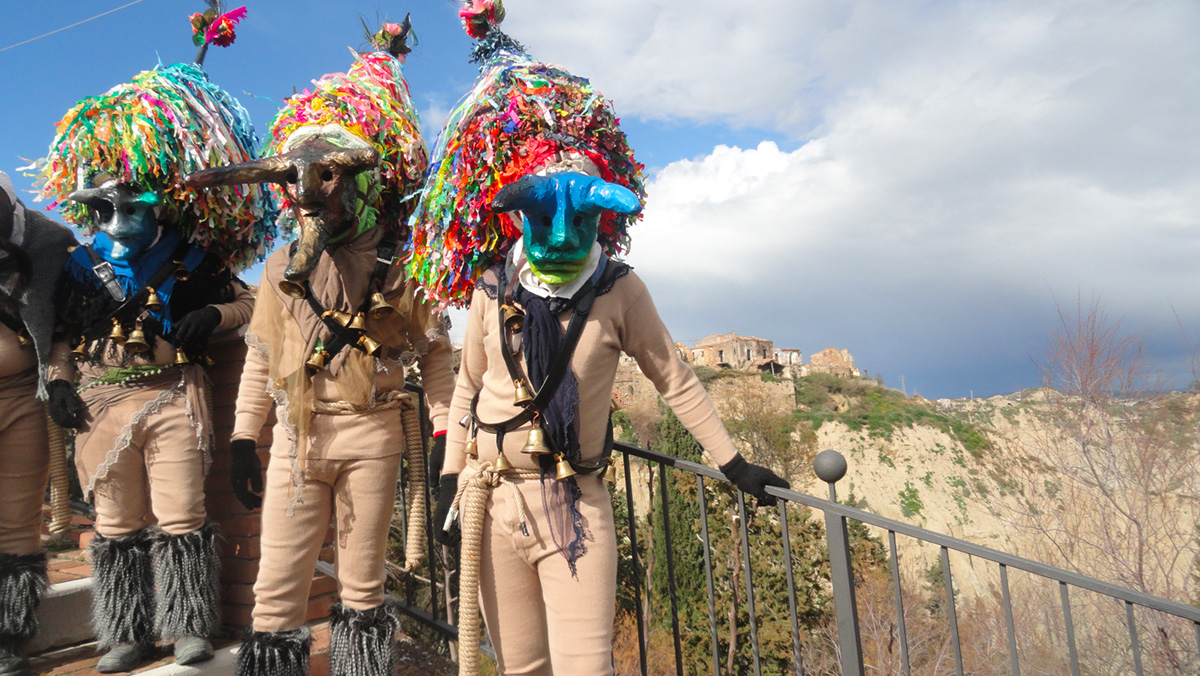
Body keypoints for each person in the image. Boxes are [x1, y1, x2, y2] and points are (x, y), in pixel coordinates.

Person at [412, 4, 790, 674]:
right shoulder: (493, 286)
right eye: (540, 221)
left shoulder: (620, 291)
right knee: (519, 665)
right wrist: (449, 479)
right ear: (518, 222)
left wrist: (732, 464)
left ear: (601, 224)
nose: (560, 240)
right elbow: (468, 384)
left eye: (580, 223)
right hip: (490, 499)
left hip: (574, 505)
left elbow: (673, 376)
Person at [185, 18, 456, 676]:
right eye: (301, 182)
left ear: (360, 180)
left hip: (373, 435)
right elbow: (260, 355)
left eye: (331, 177)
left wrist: (446, 438)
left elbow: (438, 356)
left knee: (363, 584)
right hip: (298, 440)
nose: (315, 195)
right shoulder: (281, 266)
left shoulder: (400, 263)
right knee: (276, 588)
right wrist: (248, 438)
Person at [35, 11, 276, 671]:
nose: (117, 222)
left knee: (182, 513)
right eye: (105, 210)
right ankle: (125, 632)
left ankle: (189, 626)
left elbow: (252, 304)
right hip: (98, 403)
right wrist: (57, 382)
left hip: (173, 395)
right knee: (114, 523)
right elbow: (59, 335)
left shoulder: (194, 261)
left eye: (131, 208)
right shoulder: (83, 266)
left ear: (160, 207)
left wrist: (216, 320)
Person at [0, 171, 77, 676]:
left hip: (22, 396)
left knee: (15, 522)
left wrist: (60, 379)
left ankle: (8, 638)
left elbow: (64, 325)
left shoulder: (48, 241)